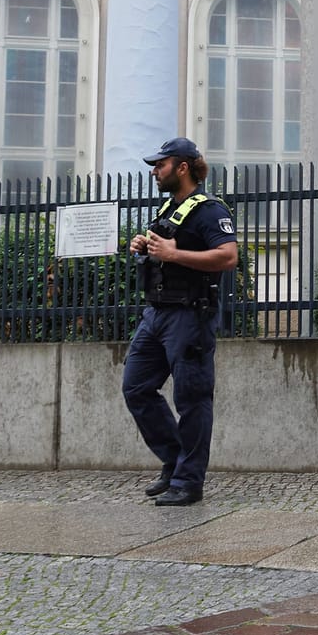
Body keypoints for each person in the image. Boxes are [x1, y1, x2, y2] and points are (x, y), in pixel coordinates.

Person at [124, 137, 239, 507]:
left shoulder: (209, 210)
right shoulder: (170, 208)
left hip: (190, 316)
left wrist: (174, 253)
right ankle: (174, 462)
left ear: (183, 167)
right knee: (136, 387)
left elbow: (227, 256)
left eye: (161, 165)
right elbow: (165, 254)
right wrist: (145, 247)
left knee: (191, 399)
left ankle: (189, 482)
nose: (155, 171)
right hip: (156, 314)